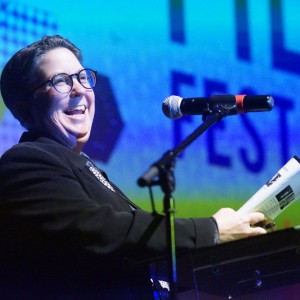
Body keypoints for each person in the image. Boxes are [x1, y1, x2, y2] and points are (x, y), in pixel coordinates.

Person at [0, 35, 267, 299]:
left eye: (82, 78)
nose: (79, 90)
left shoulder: (83, 168)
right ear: (25, 107)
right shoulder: (24, 162)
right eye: (60, 81)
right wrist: (211, 231)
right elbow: (99, 230)